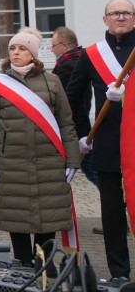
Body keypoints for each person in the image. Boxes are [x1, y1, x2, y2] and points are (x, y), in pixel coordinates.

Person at [0, 29, 80, 266]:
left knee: (49, 219)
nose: (16, 52)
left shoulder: (52, 82)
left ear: (33, 54)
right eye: (12, 48)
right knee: (17, 220)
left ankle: (45, 270)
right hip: (11, 165)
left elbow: (66, 123)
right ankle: (23, 267)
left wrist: (73, 161)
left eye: (22, 48)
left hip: (49, 163)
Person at [66, 0, 135, 284]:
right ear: (105, 19)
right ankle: (119, 273)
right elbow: (72, 97)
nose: (121, 17)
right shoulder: (92, 54)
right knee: (112, 212)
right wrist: (84, 134)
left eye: (127, 13)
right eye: (115, 13)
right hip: (107, 142)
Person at [50, 26, 99, 192]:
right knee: (88, 166)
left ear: (64, 45)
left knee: (90, 167)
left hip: (75, 125)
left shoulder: (67, 65)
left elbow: (65, 99)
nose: (52, 50)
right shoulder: (78, 60)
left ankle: (117, 199)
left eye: (54, 46)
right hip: (79, 122)